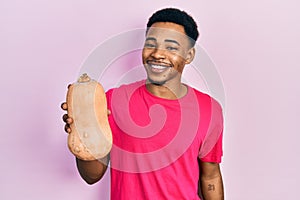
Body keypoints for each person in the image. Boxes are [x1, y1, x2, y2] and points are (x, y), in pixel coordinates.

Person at [62, 8, 224, 200]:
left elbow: (211, 175)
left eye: (171, 47)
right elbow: (92, 176)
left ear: (189, 56)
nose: (157, 54)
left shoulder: (209, 109)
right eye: (151, 44)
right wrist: (82, 134)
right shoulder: (113, 100)